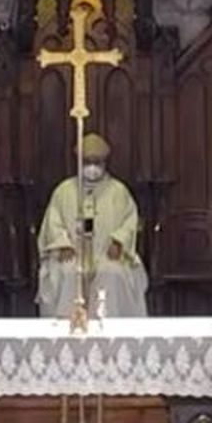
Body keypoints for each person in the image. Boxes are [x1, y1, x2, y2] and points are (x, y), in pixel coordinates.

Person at [36, 133, 149, 318]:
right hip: (72, 252)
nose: (92, 167)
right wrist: (62, 244)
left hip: (108, 252)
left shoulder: (118, 191)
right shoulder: (64, 190)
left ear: (105, 163)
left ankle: (111, 330)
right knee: (69, 272)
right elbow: (53, 222)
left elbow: (130, 221)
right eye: (88, 162)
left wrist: (119, 241)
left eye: (97, 162)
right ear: (79, 162)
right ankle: (66, 329)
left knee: (112, 272)